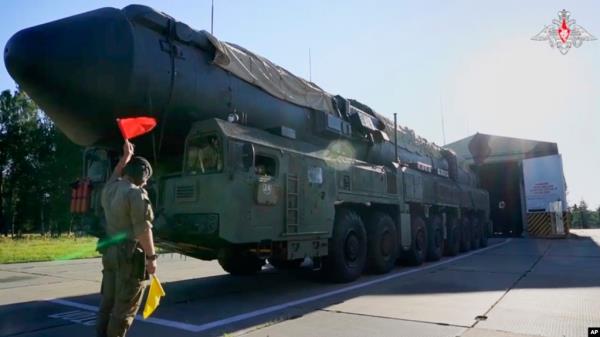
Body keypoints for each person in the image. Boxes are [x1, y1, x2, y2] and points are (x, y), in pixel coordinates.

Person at [96, 140, 158, 337]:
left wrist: (125, 157)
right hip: (128, 258)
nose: (146, 183)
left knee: (107, 303)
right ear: (142, 177)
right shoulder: (136, 194)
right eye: (146, 179)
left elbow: (116, 173)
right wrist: (151, 258)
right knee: (123, 310)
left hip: (110, 254)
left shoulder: (109, 189)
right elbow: (143, 230)